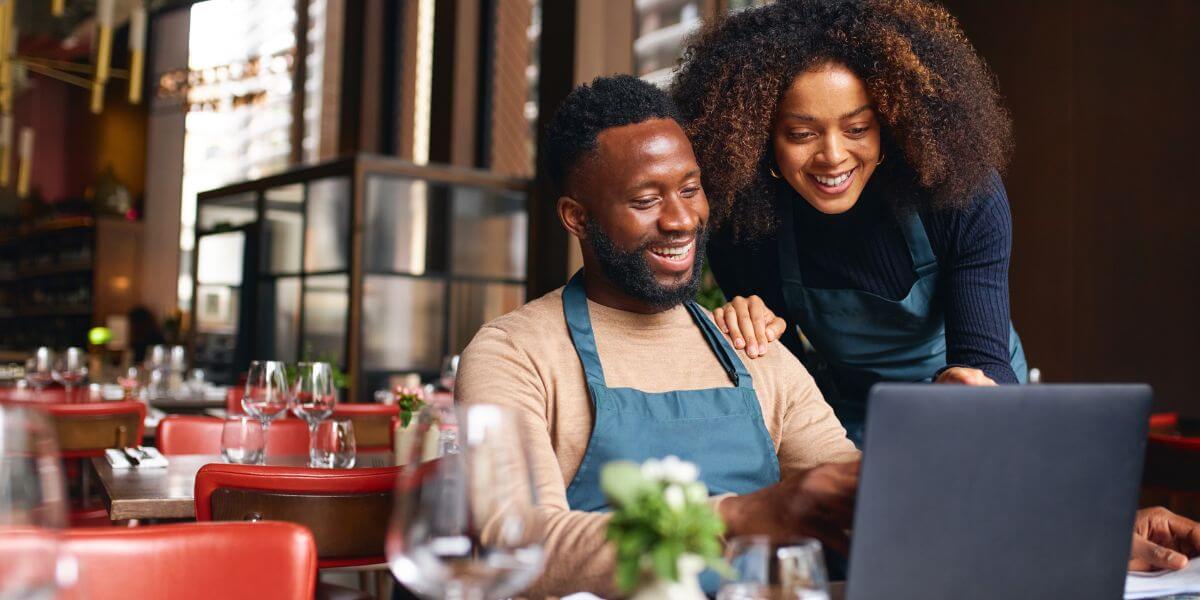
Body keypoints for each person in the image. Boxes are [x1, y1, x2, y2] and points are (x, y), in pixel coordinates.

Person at [456, 75, 1200, 597]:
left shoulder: (753, 349)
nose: (681, 220)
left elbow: (883, 504)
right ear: (576, 217)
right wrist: (746, 516)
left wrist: (1080, 531)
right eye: (647, 199)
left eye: (690, 189)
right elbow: (516, 541)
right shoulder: (515, 352)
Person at [670, 0, 1026, 443]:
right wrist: (750, 333)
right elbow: (789, 385)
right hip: (849, 411)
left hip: (967, 402)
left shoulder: (959, 195)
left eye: (857, 129)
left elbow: (986, 363)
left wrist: (970, 386)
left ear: (890, 124)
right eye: (802, 134)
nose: (833, 156)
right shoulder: (745, 225)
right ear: (761, 136)